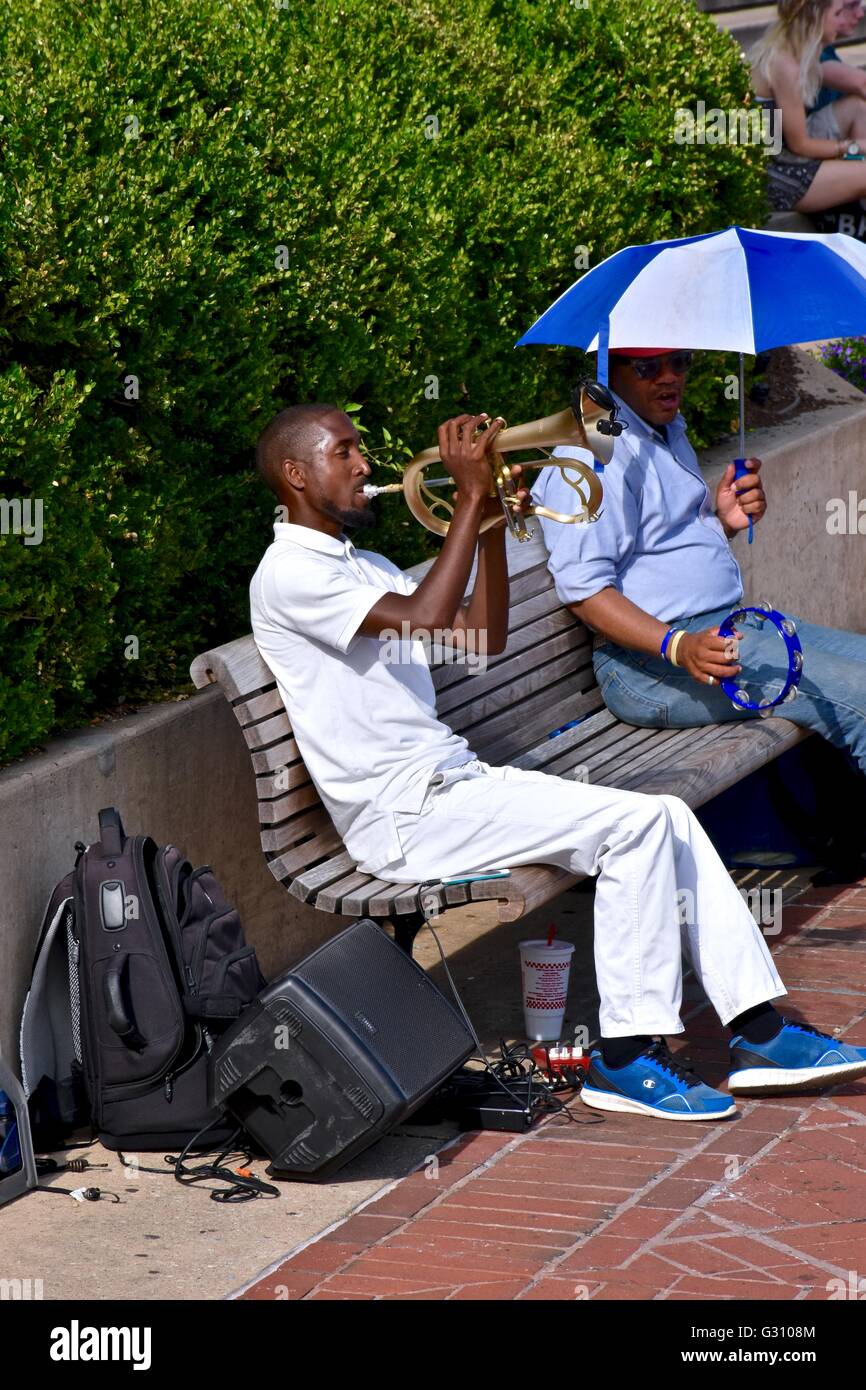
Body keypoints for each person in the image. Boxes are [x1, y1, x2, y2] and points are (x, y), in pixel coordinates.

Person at [248, 400, 866, 1121]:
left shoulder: (364, 564)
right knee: (635, 827)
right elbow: (427, 618)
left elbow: (481, 634)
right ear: (295, 474)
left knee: (661, 814)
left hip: (452, 786)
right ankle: (626, 1056)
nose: (364, 466)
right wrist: (470, 496)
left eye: (360, 450)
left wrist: (485, 525)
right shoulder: (289, 574)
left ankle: (758, 1030)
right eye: (344, 453)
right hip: (403, 815)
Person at [530, 348, 866, 857]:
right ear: (609, 373)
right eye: (647, 368)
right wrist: (676, 645)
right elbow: (585, 591)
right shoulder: (586, 461)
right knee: (858, 695)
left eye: (679, 363)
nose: (669, 379)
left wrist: (723, 521)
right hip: (648, 667)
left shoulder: (663, 430)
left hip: (719, 631)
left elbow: (662, 548)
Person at [751, 0, 866, 215]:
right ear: (814, 17)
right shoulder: (785, 64)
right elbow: (800, 146)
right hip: (773, 174)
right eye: (837, 13)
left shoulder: (797, 52)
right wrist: (854, 147)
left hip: (783, 156)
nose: (840, 20)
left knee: (858, 107)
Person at [808, 0, 866, 133]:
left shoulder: (824, 47)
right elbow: (862, 83)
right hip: (787, 146)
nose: (860, 14)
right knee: (858, 106)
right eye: (851, 6)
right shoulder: (805, 52)